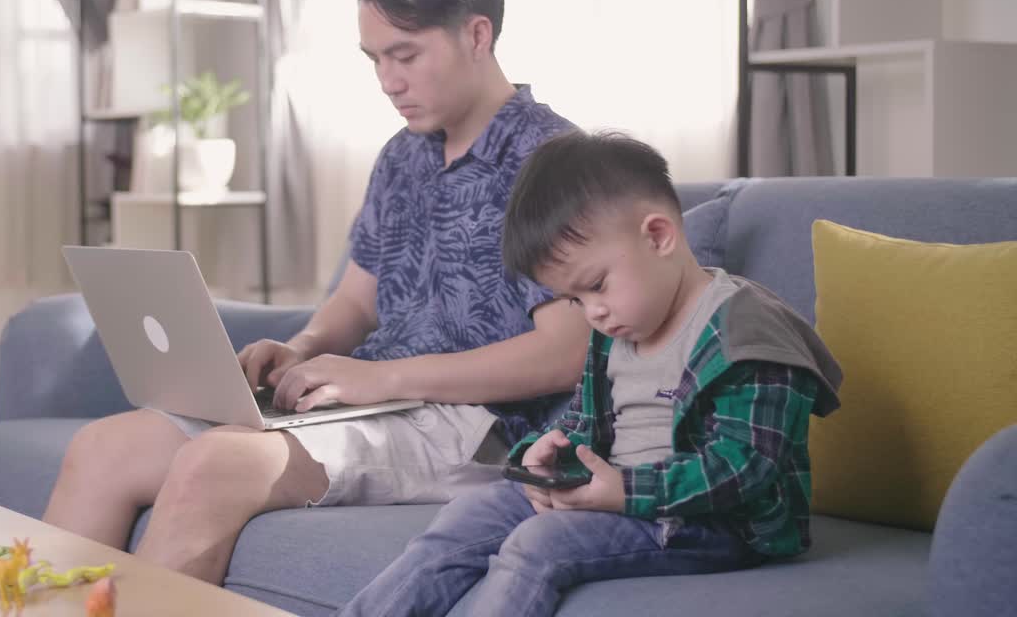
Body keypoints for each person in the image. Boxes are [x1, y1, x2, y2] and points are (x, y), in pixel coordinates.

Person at [42, 0, 592, 584]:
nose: (389, 81)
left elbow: (568, 353)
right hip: (380, 404)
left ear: (477, 35)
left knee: (215, 462)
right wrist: (301, 348)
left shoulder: (554, 161)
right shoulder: (402, 155)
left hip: (479, 427)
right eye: (374, 59)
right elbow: (357, 299)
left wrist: (383, 379)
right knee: (102, 448)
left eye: (406, 55)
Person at [339, 130, 844, 617]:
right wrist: (543, 455)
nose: (592, 312)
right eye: (576, 299)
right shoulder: (615, 331)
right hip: (617, 497)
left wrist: (624, 492)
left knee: (541, 544)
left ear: (659, 236)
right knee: (466, 518)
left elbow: (746, 467)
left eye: (597, 285)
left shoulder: (744, 331)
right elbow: (584, 423)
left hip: (711, 522)